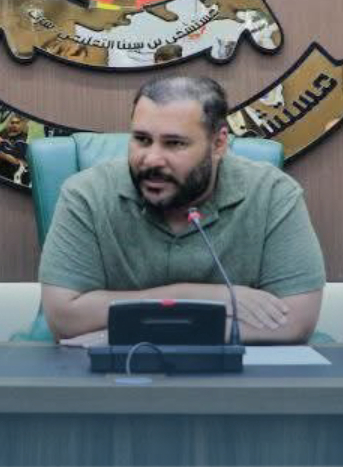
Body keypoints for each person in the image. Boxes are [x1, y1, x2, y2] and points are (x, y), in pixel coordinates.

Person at [38, 75, 325, 344]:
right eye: (142, 140)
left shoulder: (273, 193)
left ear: (218, 144)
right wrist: (199, 297)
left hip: (237, 374)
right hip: (116, 375)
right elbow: (64, 318)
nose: (151, 159)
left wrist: (130, 325)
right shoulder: (86, 194)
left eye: (174, 143)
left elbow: (296, 321)